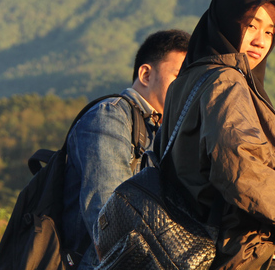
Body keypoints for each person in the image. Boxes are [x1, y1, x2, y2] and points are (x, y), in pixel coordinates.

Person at [160, 0, 275, 270]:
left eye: (269, 31)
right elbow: (240, 168)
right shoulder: (226, 81)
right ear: (226, 22)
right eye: (251, 26)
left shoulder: (186, 82)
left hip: (195, 247)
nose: (261, 41)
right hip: (235, 252)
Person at [62, 29, 190, 268]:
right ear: (145, 74)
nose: (185, 88)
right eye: (178, 77)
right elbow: (107, 219)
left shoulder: (161, 130)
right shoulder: (111, 117)